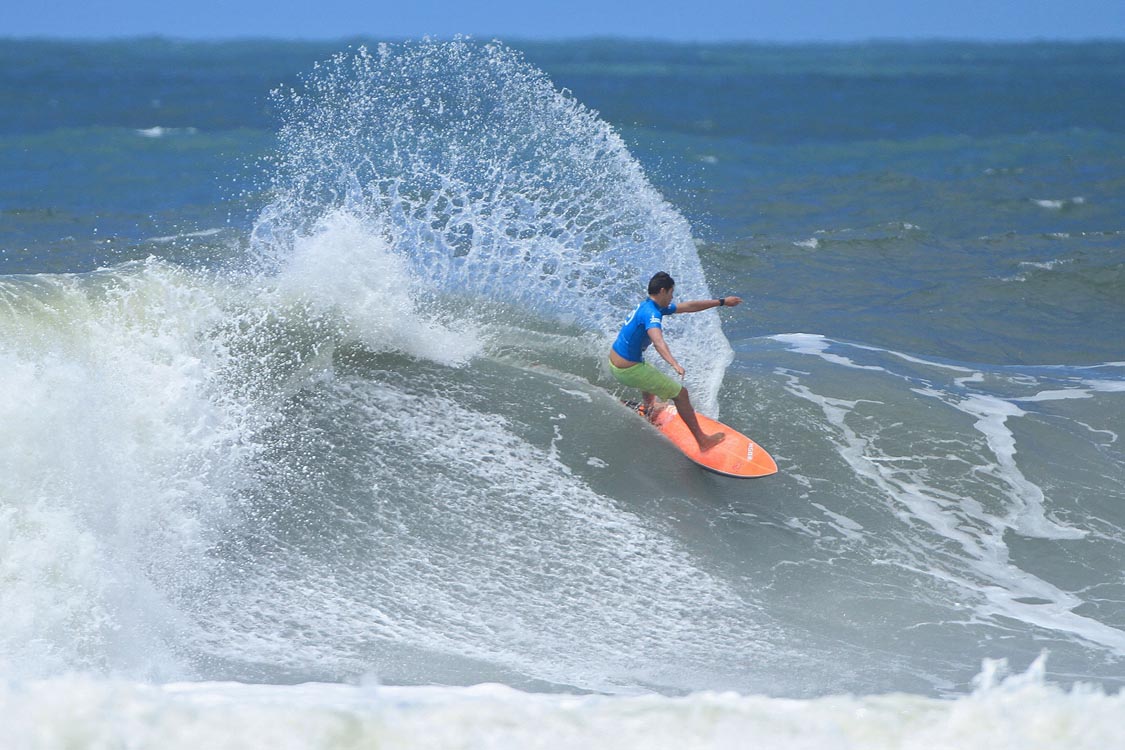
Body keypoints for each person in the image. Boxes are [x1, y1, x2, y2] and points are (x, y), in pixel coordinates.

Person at [609, 271, 743, 452]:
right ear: (663, 291)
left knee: (648, 371)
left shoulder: (648, 306)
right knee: (681, 394)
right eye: (671, 292)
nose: (672, 297)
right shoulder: (652, 314)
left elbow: (689, 306)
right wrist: (674, 363)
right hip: (627, 369)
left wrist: (721, 302)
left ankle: (649, 409)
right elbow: (658, 341)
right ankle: (703, 441)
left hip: (618, 362)